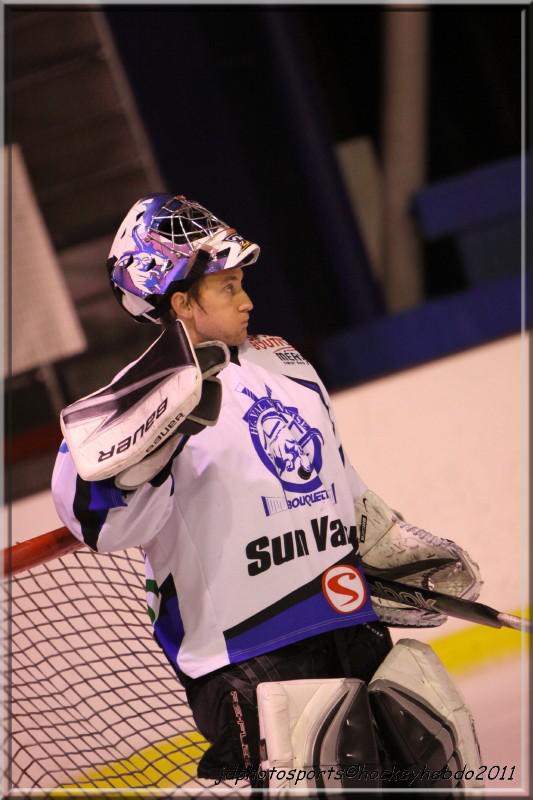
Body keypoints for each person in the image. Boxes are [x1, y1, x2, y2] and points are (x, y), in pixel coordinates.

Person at [52, 194, 483, 792]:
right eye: (227, 287)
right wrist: (147, 452)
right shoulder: (133, 406)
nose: (247, 299)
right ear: (181, 303)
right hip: (249, 657)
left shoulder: (287, 365)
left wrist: (379, 539)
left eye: (242, 284)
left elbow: (339, 483)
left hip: (347, 621)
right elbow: (98, 522)